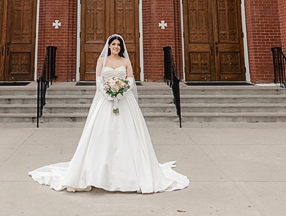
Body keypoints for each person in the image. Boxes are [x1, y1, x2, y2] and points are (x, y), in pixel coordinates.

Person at [29, 34, 189, 193]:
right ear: (109, 46)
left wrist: (120, 92)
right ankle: (96, 174)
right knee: (101, 134)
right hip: (104, 100)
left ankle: (130, 173)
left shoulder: (126, 61)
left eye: (118, 45)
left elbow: (131, 80)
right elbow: (99, 81)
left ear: (121, 47)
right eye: (113, 44)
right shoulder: (101, 61)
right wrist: (108, 94)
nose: (116, 47)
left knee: (127, 135)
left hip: (124, 100)